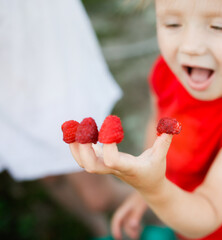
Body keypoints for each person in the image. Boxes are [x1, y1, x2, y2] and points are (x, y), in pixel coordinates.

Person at [69, 0, 222, 239]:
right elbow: (155, 123)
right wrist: (144, 193)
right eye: (172, 23)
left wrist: (153, 189)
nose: (190, 47)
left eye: (219, 27)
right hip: (171, 209)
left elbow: (208, 214)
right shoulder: (166, 73)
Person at [0, 0, 132, 239]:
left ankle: (172, 214)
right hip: (6, 68)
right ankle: (106, 232)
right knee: (45, 171)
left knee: (97, 196)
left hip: (38, 36)